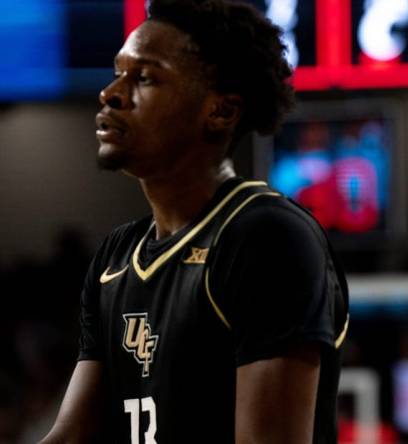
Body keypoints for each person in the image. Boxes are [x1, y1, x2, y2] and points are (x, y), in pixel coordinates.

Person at [39, 0, 348, 443]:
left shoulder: (264, 236)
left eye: (144, 78)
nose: (111, 93)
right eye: (117, 73)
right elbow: (71, 435)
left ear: (220, 111)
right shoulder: (114, 257)